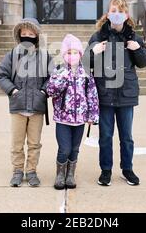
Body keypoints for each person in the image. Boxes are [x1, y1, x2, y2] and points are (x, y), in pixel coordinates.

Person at [84, 0, 146, 186]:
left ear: (126, 15)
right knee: (105, 136)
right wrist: (92, 52)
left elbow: (144, 62)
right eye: (113, 10)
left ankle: (127, 169)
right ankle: (106, 170)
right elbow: (83, 64)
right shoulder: (98, 37)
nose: (116, 14)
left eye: (120, 11)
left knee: (126, 137)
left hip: (126, 95)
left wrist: (137, 49)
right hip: (104, 95)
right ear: (107, 14)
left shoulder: (133, 37)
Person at [0, 18, 53, 187]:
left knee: (34, 143)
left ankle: (31, 171)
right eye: (24, 34)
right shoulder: (12, 55)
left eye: (31, 34)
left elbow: (53, 77)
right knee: (17, 142)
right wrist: (13, 91)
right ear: (19, 36)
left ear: (36, 35)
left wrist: (43, 92)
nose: (27, 36)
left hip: (37, 107)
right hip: (18, 106)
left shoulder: (44, 57)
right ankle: (18, 171)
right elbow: (1, 76)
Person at [47, 34, 99, 190]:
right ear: (64, 55)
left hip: (80, 119)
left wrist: (92, 115)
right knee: (64, 149)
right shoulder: (59, 71)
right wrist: (62, 78)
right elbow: (50, 91)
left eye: (75, 52)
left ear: (80, 54)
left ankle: (70, 174)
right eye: (69, 53)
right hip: (63, 118)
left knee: (75, 148)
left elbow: (92, 95)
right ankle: (60, 174)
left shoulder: (86, 74)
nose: (72, 56)